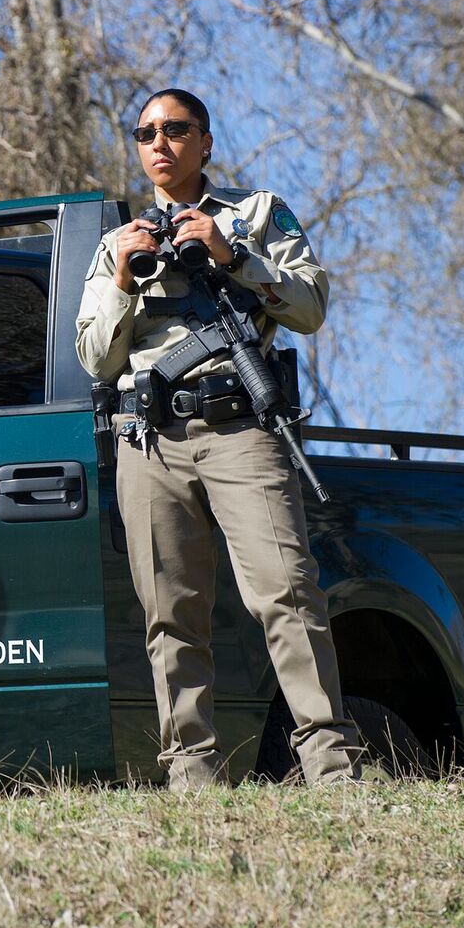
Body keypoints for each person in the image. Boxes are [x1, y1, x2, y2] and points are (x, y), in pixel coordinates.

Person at [75, 87, 361, 789]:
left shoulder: (257, 214)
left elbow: (312, 305)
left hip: (240, 429)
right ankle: (191, 771)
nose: (159, 143)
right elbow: (93, 358)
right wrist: (120, 279)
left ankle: (330, 762)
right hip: (149, 440)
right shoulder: (117, 239)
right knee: (170, 613)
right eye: (145, 133)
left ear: (205, 141)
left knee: (287, 590)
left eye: (175, 129)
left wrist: (233, 256)